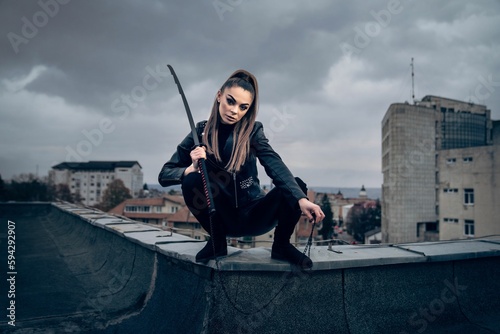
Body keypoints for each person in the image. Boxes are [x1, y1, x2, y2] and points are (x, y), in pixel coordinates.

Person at [158, 69, 324, 268]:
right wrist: (189, 168)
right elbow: (165, 175)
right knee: (191, 179)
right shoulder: (199, 133)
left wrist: (301, 199)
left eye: (243, 107)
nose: (235, 111)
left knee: (297, 185)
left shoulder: (253, 131)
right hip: (220, 217)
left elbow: (274, 164)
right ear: (219, 96)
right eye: (231, 101)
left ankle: (281, 246)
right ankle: (217, 243)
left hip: (254, 214)